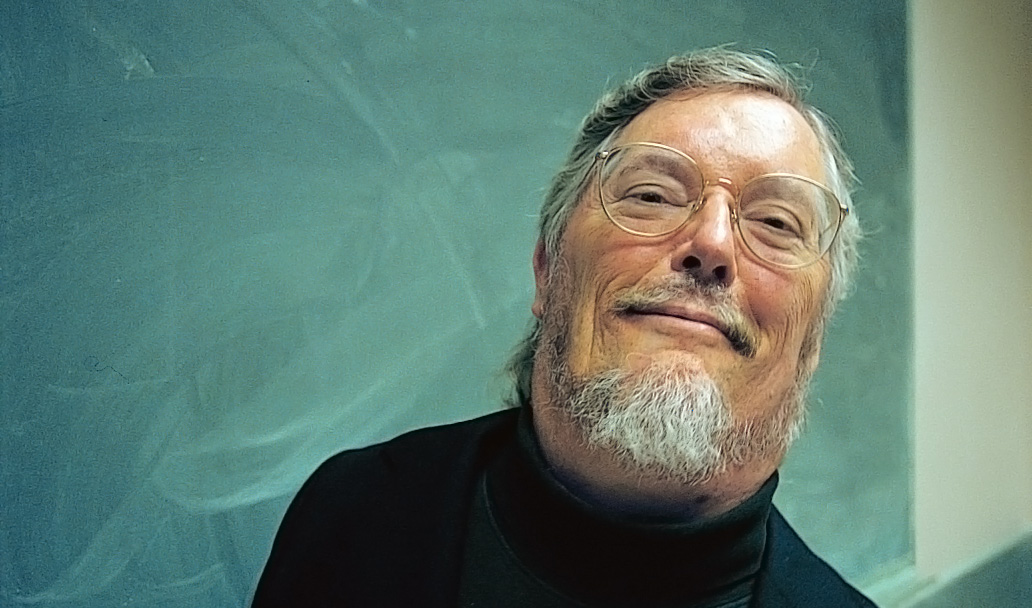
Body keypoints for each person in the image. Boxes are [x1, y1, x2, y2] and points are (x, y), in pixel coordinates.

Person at [253, 47, 877, 607]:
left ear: (813, 336)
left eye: (775, 223)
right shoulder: (350, 518)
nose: (711, 242)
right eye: (651, 196)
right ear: (548, 269)